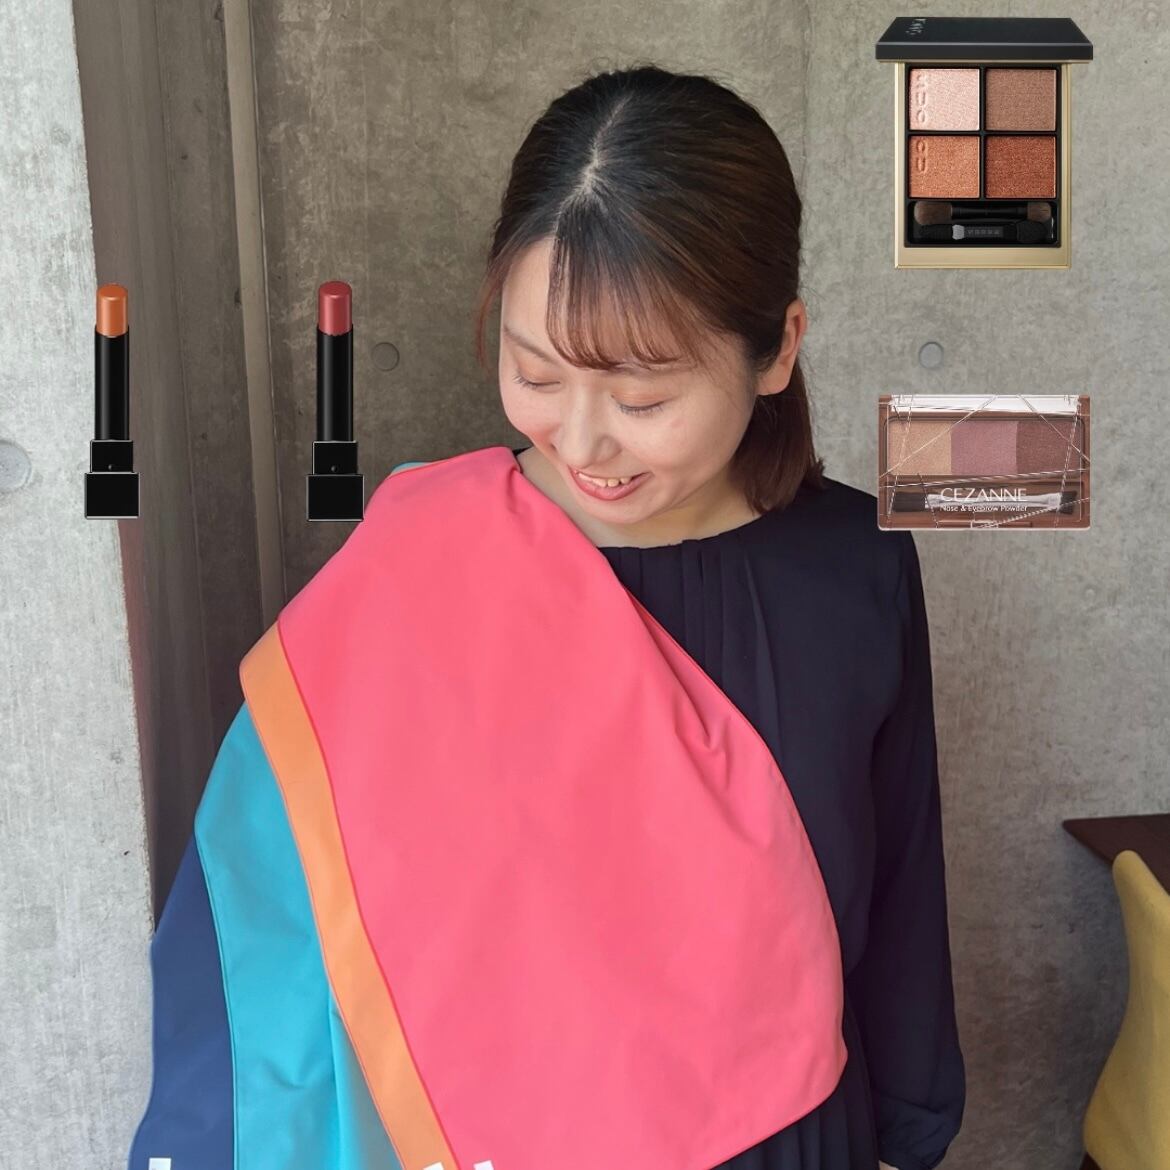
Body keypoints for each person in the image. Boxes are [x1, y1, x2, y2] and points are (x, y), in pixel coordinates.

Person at [128, 63, 964, 1170]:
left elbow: (900, 898)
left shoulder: (858, 569)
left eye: (643, 397)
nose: (583, 441)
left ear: (777, 349)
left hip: (795, 1133)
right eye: (535, 375)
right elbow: (279, 920)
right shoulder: (418, 565)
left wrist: (909, 1135)